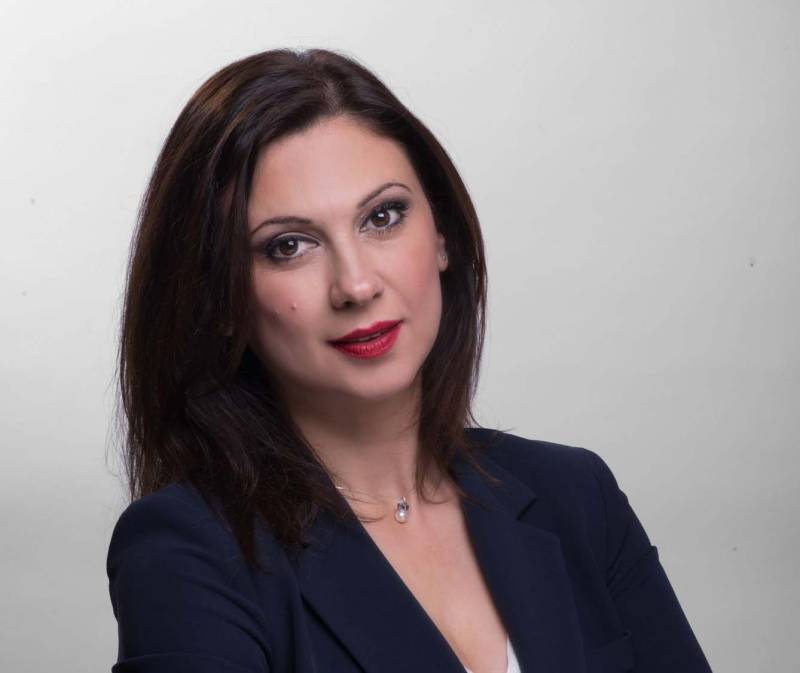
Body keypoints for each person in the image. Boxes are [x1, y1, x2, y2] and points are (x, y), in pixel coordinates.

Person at [106, 47, 713, 673]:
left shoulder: (576, 498)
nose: (356, 284)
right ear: (221, 299)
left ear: (441, 234)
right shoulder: (186, 553)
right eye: (289, 246)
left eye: (382, 217)